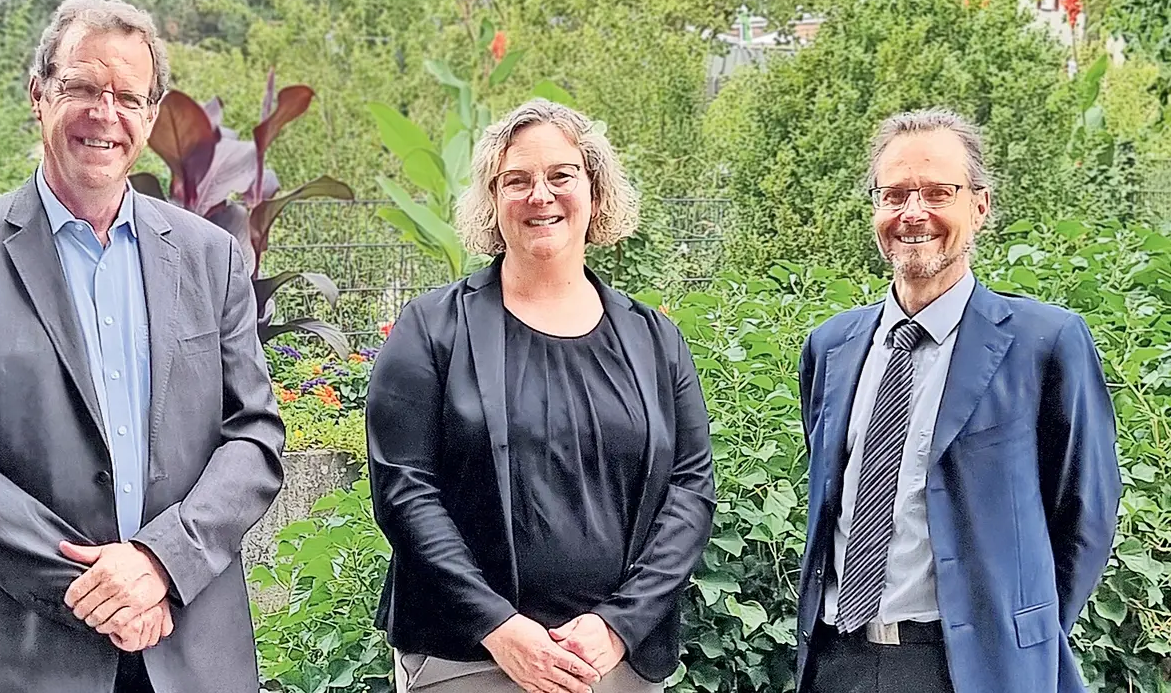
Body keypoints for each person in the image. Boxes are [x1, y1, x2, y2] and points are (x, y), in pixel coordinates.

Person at [0, 0, 285, 693]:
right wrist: (96, 585)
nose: (104, 114)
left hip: (191, 644)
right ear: (39, 94)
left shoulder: (211, 257)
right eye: (82, 87)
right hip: (30, 648)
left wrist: (160, 562)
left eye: (127, 97)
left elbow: (253, 438)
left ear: (149, 115)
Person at [366, 99, 717, 693]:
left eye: (561, 176)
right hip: (469, 659)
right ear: (492, 202)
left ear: (596, 193)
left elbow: (690, 490)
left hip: (614, 663)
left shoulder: (654, 339)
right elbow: (404, 489)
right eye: (517, 181)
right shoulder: (432, 328)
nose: (540, 195)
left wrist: (618, 626)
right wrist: (499, 627)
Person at [794, 109, 1121, 693]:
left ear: (980, 206)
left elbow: (1085, 517)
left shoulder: (1044, 344)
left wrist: (1021, 635)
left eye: (938, 192)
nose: (913, 212)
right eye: (894, 194)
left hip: (971, 668)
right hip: (836, 662)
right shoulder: (831, 348)